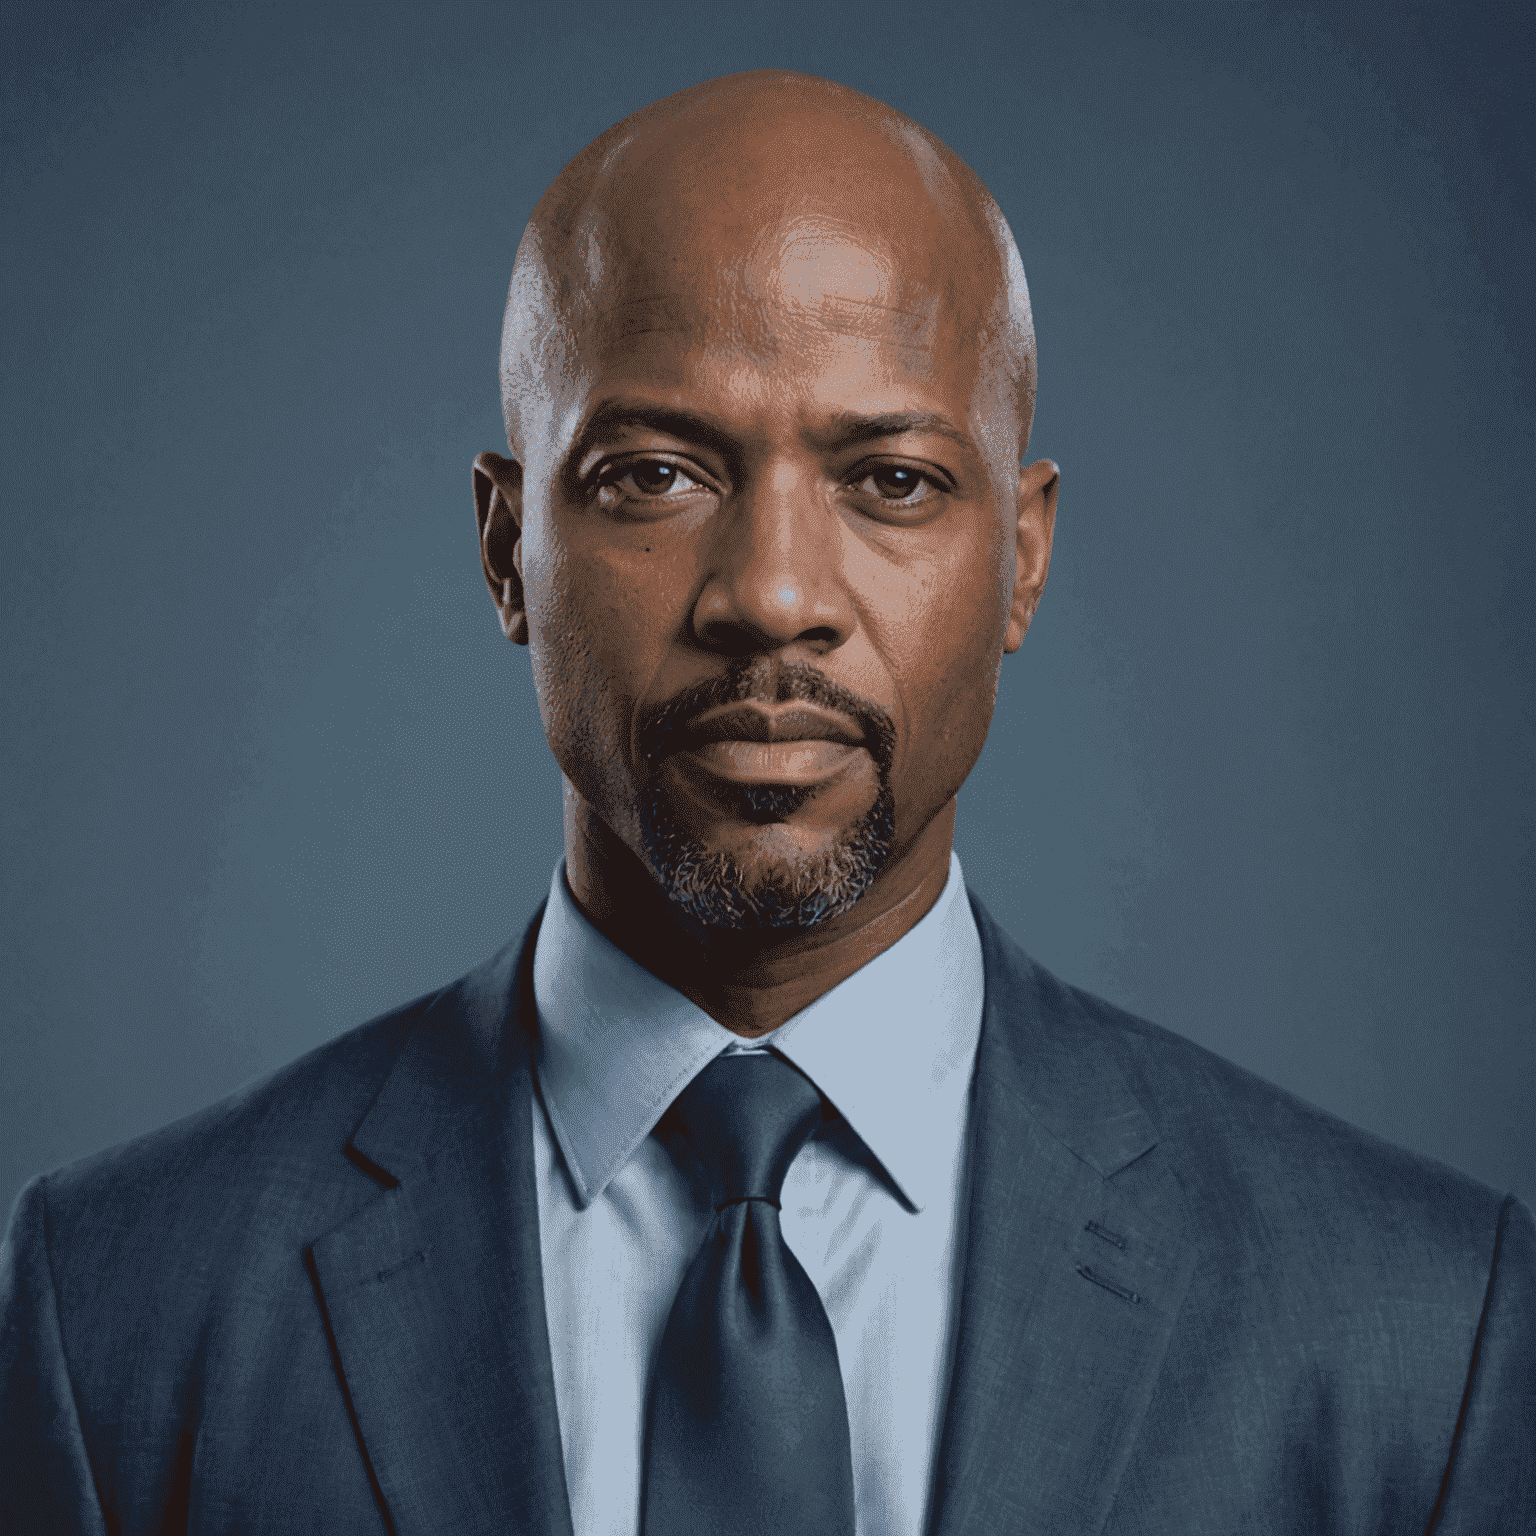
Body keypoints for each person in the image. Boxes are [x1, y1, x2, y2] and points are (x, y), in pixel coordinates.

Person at [1, 69, 1531, 1536]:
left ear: (1028, 558)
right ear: (504, 547)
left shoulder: (1419, 1332)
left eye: (894, 481)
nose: (774, 596)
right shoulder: (121, 1309)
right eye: (654, 474)